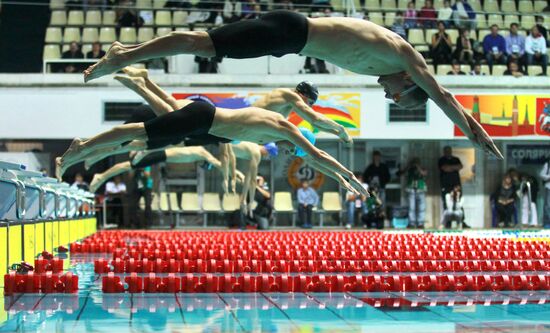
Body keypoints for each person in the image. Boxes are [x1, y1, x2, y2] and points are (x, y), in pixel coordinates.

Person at [82, 10, 504, 160]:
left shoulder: (386, 63)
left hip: (289, 39)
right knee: (204, 45)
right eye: (395, 93)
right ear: (410, 84)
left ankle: (129, 56)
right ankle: (126, 54)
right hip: (291, 30)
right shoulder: (406, 57)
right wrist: (473, 130)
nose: (387, 94)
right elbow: (443, 95)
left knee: (208, 47)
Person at [56, 100, 368, 197]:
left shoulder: (270, 138)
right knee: (142, 131)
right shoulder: (283, 126)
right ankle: (84, 145)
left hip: (207, 131)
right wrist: (346, 176)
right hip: (203, 117)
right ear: (297, 140)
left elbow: (315, 157)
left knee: (145, 138)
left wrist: (340, 179)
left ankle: (90, 150)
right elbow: (318, 155)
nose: (289, 153)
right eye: (292, 151)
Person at [89, 146, 242, 192]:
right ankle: (101, 176)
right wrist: (237, 174)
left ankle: (101, 172)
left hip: (161, 153)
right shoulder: (202, 153)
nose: (199, 165)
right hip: (160, 154)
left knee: (129, 164)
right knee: (127, 165)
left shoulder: (198, 151)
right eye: (202, 165)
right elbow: (220, 164)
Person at [231, 141, 278, 213]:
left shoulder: (254, 146)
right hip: (226, 145)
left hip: (225, 143)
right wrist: (249, 201)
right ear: (266, 150)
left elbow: (247, 178)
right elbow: (252, 180)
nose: (266, 156)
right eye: (268, 154)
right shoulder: (257, 153)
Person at [398, 157, 427, 229]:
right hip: (411, 190)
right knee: (412, 207)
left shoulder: (422, 168)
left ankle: (420, 223)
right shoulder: (409, 169)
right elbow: (401, 173)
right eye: (414, 162)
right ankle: (412, 222)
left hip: (421, 189)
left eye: (416, 162)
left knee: (422, 207)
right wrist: (409, 166)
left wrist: (418, 167)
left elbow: (424, 173)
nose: (415, 164)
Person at [540, 159, 550, 228]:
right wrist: (549, 177)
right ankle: (547, 222)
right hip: (549, 187)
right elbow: (541, 174)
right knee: (547, 206)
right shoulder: (548, 164)